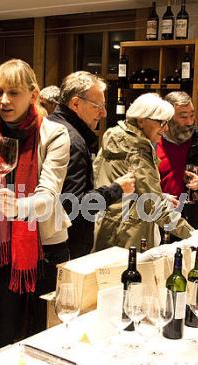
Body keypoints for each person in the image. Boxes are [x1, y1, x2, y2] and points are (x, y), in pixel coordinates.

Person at [0, 59, 71, 351]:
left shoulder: (54, 134)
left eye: (13, 92)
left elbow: (49, 196)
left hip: (45, 247)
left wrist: (18, 207)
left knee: (44, 336)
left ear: (34, 94)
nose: (4, 100)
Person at [48, 71, 135, 259]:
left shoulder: (48, 125)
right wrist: (116, 189)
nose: (103, 113)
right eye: (98, 106)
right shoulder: (73, 141)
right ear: (76, 103)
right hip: (65, 246)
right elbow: (74, 206)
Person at [92, 93, 193, 251]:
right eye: (161, 122)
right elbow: (154, 206)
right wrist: (193, 236)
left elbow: (106, 180)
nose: (165, 128)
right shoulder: (138, 151)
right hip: (128, 236)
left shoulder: (114, 137)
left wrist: (160, 196)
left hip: (108, 226)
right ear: (141, 120)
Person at [157, 91, 198, 232]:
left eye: (192, 115)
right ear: (167, 117)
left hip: (190, 220)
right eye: (183, 116)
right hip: (157, 219)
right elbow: (137, 184)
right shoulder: (151, 144)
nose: (190, 121)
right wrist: (159, 198)